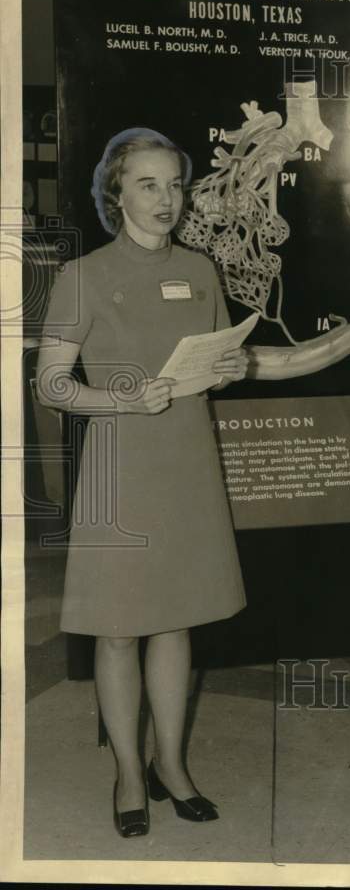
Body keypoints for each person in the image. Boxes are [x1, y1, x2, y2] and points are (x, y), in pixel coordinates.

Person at [36, 128, 249, 838]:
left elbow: (217, 360)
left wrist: (235, 369)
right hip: (120, 463)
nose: (165, 199)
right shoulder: (86, 275)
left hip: (186, 459)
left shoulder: (202, 270)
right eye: (148, 185)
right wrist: (122, 399)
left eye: (175, 185)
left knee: (176, 618)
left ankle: (173, 765)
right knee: (121, 629)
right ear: (116, 193)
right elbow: (52, 384)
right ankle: (129, 771)